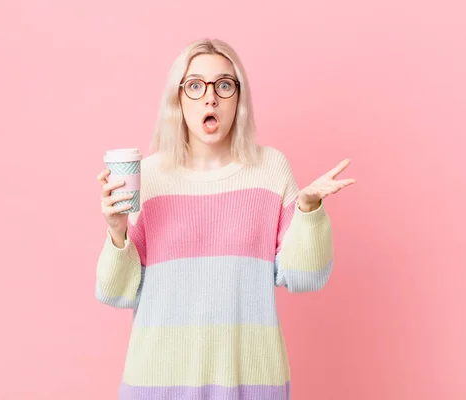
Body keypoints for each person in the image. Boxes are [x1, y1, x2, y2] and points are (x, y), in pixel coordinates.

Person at [95, 38, 355, 400]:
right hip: (157, 387)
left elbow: (306, 277)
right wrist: (116, 231)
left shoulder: (271, 170)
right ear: (178, 98)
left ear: (239, 97)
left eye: (224, 85)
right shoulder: (146, 177)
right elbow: (115, 292)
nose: (210, 97)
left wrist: (309, 211)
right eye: (195, 85)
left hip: (250, 385)